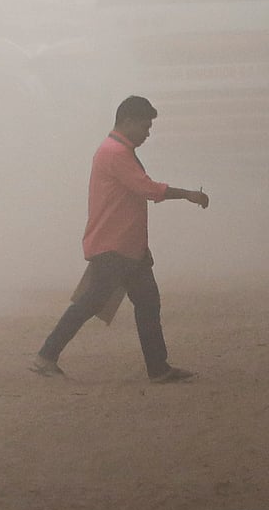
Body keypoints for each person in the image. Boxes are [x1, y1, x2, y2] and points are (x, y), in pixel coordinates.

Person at [32, 95, 209, 383]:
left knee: (139, 302)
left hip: (126, 246)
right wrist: (188, 194)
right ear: (127, 121)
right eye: (145, 125)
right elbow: (148, 188)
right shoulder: (115, 153)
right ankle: (46, 356)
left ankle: (158, 368)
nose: (147, 133)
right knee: (95, 302)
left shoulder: (113, 150)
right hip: (115, 245)